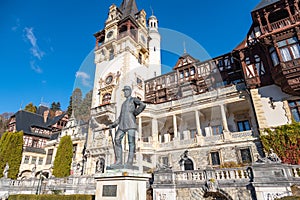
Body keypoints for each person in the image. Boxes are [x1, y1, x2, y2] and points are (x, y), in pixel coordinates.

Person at [109, 86, 146, 166]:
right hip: (122, 124)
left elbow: (142, 105)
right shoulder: (123, 104)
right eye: (124, 91)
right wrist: (114, 124)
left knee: (131, 143)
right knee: (117, 140)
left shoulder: (133, 99)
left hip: (131, 124)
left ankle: (130, 161)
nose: (125, 92)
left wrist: (135, 113)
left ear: (129, 91)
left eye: (126, 91)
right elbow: (121, 116)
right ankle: (119, 161)